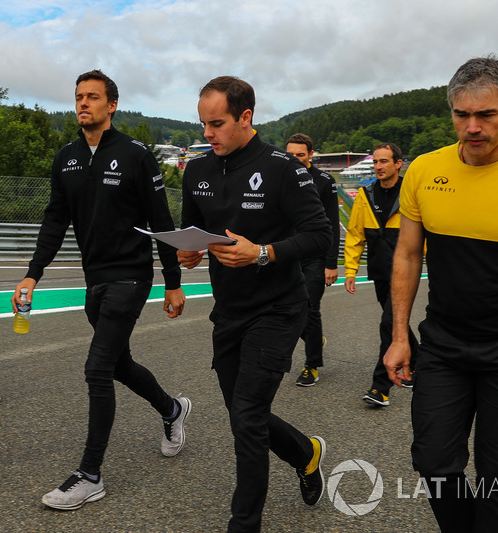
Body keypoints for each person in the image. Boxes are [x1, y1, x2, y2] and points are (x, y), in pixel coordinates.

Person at [384, 55, 498, 531]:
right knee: (433, 463)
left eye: (485, 115)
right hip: (445, 344)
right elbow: (406, 255)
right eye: (461, 114)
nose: (471, 127)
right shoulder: (425, 171)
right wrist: (399, 334)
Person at [12, 70, 191, 511]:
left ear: (112, 105)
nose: (83, 104)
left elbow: (160, 221)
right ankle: (172, 410)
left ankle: (89, 475)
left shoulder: (135, 154)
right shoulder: (66, 158)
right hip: (96, 279)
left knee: (96, 369)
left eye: (92, 97)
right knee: (118, 363)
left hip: (131, 276)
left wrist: (173, 282)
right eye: (78, 97)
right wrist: (33, 273)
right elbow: (55, 220)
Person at [178, 76, 332, 532]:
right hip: (228, 312)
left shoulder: (283, 167)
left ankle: (242, 525)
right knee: (245, 414)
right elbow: (191, 233)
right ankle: (306, 453)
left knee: (246, 420)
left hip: (279, 309)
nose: (207, 133)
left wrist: (263, 252)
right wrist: (186, 254)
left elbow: (320, 235)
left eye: (217, 123)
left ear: (246, 118)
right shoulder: (196, 170)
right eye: (203, 123)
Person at [343, 142, 419, 406]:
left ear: (398, 164)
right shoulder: (366, 193)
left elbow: (426, 230)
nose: (378, 167)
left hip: (405, 272)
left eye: (384, 161)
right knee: (397, 323)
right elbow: (355, 234)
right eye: (375, 162)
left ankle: (381, 387)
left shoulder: (411, 191)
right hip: (378, 271)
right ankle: (419, 363)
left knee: (389, 325)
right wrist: (351, 270)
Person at [285, 134, 340, 386]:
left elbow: (332, 223)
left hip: (316, 257)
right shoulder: (280, 176)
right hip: (287, 253)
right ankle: (314, 340)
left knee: (309, 308)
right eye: (290, 154)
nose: (294, 159)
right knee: (286, 308)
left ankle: (312, 365)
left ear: (310, 155)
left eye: (300, 155)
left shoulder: (325, 181)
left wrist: (331, 263)